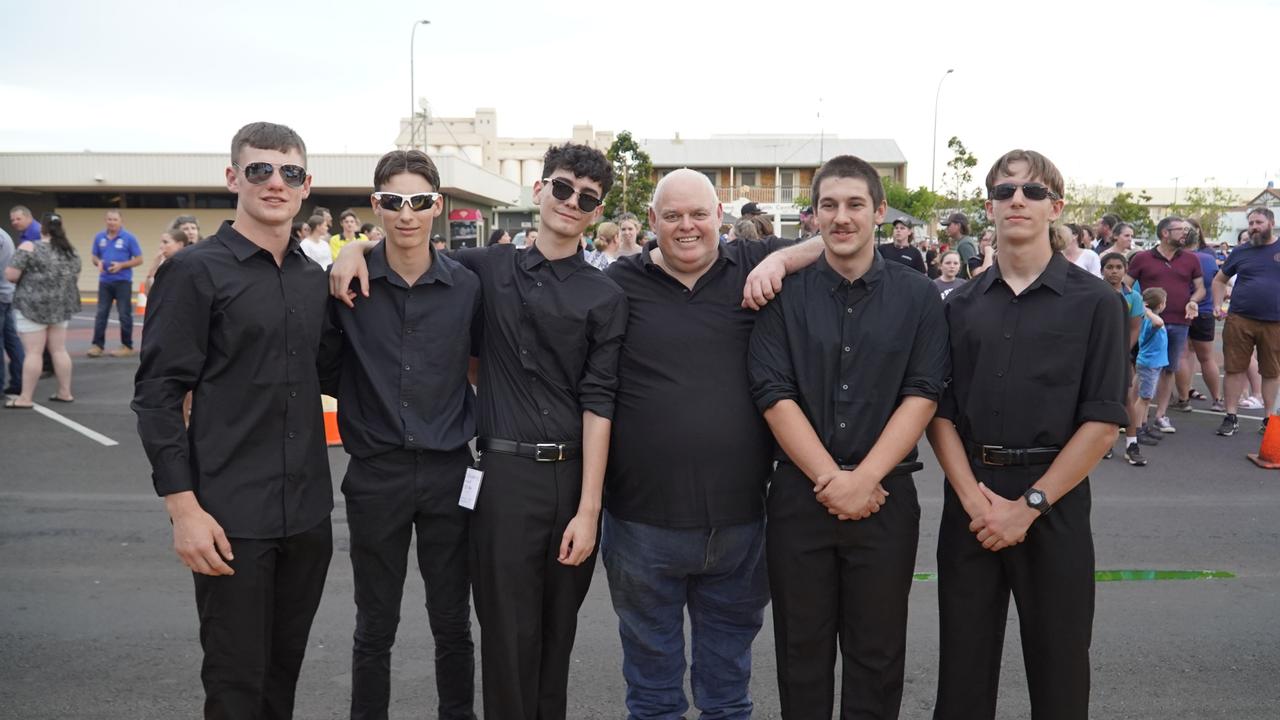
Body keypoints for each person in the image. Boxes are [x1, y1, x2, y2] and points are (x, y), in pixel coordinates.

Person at [332, 142, 627, 720]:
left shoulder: (607, 294)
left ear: (598, 211)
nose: (571, 202)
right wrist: (356, 251)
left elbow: (600, 400)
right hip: (498, 475)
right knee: (499, 636)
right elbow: (407, 246)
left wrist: (590, 509)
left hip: (569, 477)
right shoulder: (483, 271)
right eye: (562, 188)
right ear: (540, 190)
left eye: (586, 198)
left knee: (552, 635)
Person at [601, 168, 823, 720]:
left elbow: (838, 240)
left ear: (720, 217)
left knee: (727, 692)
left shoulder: (751, 266)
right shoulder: (617, 283)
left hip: (740, 524)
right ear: (651, 222)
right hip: (639, 524)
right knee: (652, 694)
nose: (686, 226)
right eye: (672, 215)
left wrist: (779, 259)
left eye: (699, 214)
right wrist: (364, 251)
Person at [133, 122, 336, 718]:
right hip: (228, 519)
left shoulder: (311, 277)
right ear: (233, 178)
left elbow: (340, 373)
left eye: (289, 172)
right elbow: (157, 395)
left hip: (306, 515)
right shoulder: (195, 271)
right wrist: (183, 510)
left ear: (305, 186)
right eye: (260, 170)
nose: (276, 183)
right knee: (235, 687)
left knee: (281, 681)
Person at [927, 149, 1127, 720]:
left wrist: (1030, 506)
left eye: (1032, 191)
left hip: (1055, 501)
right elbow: (940, 412)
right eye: (1005, 190)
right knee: (962, 677)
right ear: (989, 206)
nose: (1018, 199)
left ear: (1054, 207)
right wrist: (974, 499)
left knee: (1060, 672)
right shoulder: (958, 305)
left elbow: (1104, 419)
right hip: (972, 499)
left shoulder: (1097, 305)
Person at [748, 155, 949, 719]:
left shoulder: (918, 297)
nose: (842, 217)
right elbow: (773, 393)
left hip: (885, 499)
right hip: (798, 497)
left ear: (880, 211)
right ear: (812, 216)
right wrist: (831, 480)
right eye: (829, 206)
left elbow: (923, 392)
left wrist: (863, 480)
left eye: (855, 204)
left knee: (878, 657)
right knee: (801, 654)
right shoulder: (781, 294)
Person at [326, 149, 482, 720]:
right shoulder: (346, 285)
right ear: (376, 206)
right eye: (393, 202)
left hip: (449, 474)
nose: (406, 214)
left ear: (437, 206)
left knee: (452, 623)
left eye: (419, 201)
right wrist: (350, 252)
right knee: (375, 624)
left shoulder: (467, 287)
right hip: (375, 475)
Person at [1125, 216, 1205, 434]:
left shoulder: (1191, 259)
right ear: (1165, 233)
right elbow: (1126, 286)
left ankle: (1160, 414)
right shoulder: (1142, 258)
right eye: (1180, 229)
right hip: (1149, 324)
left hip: (1180, 321)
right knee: (1144, 368)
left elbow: (1200, 288)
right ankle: (1131, 415)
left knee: (1169, 368)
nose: (1185, 233)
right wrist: (1141, 309)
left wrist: (1193, 301)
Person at [1212, 207, 1280, 436]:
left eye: (1258, 222)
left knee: (1271, 371)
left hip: (1275, 322)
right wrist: (1216, 304)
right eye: (1250, 223)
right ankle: (1231, 416)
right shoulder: (1240, 251)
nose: (1253, 227)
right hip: (1240, 318)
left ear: (1271, 223)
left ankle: (1269, 418)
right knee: (1234, 368)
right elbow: (1219, 280)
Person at [4, 212, 81, 408]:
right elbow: (74, 276)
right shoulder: (70, 251)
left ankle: (25, 398)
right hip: (60, 307)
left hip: (32, 306)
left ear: (42, 228)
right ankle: (65, 392)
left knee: (34, 352)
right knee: (59, 350)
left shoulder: (29, 247)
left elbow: (11, 275)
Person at [1100, 251, 1156, 457]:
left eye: (1118, 267)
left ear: (1125, 271)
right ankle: (1104, 444)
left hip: (1120, 355)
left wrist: (1121, 351)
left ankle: (1132, 444)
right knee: (1099, 398)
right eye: (1109, 267)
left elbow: (1135, 328)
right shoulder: (1094, 292)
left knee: (1125, 398)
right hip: (1098, 353)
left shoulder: (1133, 297)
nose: (1114, 272)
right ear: (1102, 270)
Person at [1175, 218, 1224, 412]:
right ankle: (1217, 399)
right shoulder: (1208, 258)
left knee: (1183, 356)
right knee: (1207, 357)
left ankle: (1183, 398)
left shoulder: (1176, 259)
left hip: (1180, 310)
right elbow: (1215, 280)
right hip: (1203, 311)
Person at [88, 209, 143, 358]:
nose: (112, 222)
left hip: (123, 281)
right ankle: (97, 345)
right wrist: (98, 262)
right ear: (105, 220)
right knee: (101, 314)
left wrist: (121, 265)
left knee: (124, 314)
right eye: (109, 219)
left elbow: (139, 259)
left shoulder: (129, 238)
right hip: (105, 281)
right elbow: (94, 256)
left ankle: (127, 345)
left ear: (121, 221)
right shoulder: (99, 237)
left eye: (115, 219)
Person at [1130, 287, 1169, 466]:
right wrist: (1145, 309)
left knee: (1143, 397)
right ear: (1161, 305)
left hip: (1151, 363)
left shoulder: (1148, 319)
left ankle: (1143, 425)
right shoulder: (1150, 320)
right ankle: (1137, 429)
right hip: (1149, 364)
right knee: (1144, 398)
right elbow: (1159, 323)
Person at [0, 227, 24, 396]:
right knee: (11, 340)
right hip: (7, 293)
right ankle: (20, 381)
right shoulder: (4, 235)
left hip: (1, 294)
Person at [944, 212, 977, 278]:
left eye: (949, 225)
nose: (947, 228)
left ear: (958, 226)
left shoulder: (965, 244)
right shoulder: (961, 242)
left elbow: (971, 269)